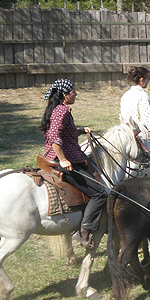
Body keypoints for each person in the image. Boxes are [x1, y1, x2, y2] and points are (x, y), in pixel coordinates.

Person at [39, 78, 107, 249]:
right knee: (100, 193)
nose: (75, 94)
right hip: (66, 160)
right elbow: (56, 138)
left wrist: (81, 131)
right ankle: (83, 231)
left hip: (59, 155)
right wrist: (62, 159)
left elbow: (63, 132)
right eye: (73, 91)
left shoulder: (55, 110)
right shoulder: (62, 111)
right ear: (64, 95)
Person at [120, 66, 150, 146]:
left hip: (126, 130)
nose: (148, 82)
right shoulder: (142, 95)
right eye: (147, 79)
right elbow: (148, 122)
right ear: (141, 80)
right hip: (140, 132)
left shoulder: (125, 95)